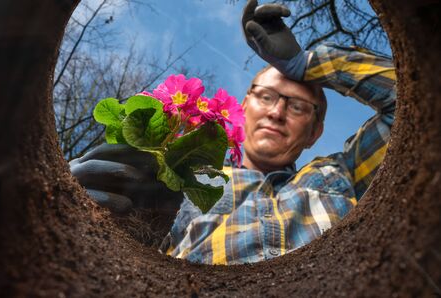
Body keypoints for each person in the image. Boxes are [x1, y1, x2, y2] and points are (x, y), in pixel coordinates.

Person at [71, 0, 396, 265]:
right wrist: (101, 217)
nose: (276, 111)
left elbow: (417, 103)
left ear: (315, 132)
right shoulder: (187, 182)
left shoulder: (345, 173)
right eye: (266, 96)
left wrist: (308, 63)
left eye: (297, 105)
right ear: (244, 106)